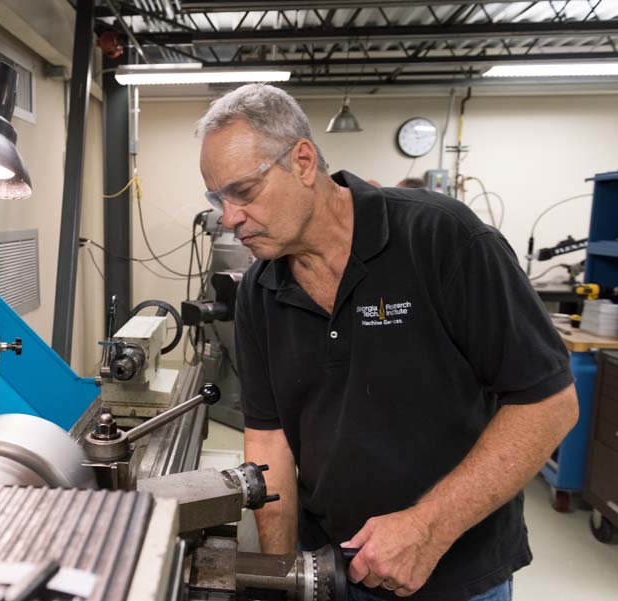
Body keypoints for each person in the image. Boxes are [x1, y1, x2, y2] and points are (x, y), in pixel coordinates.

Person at [196, 84, 578, 601]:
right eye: (216, 198)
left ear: (302, 162)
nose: (229, 216)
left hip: (456, 575)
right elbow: (270, 442)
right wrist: (281, 576)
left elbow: (549, 404)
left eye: (243, 191)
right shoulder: (260, 291)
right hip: (330, 569)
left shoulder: (441, 238)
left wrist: (428, 527)